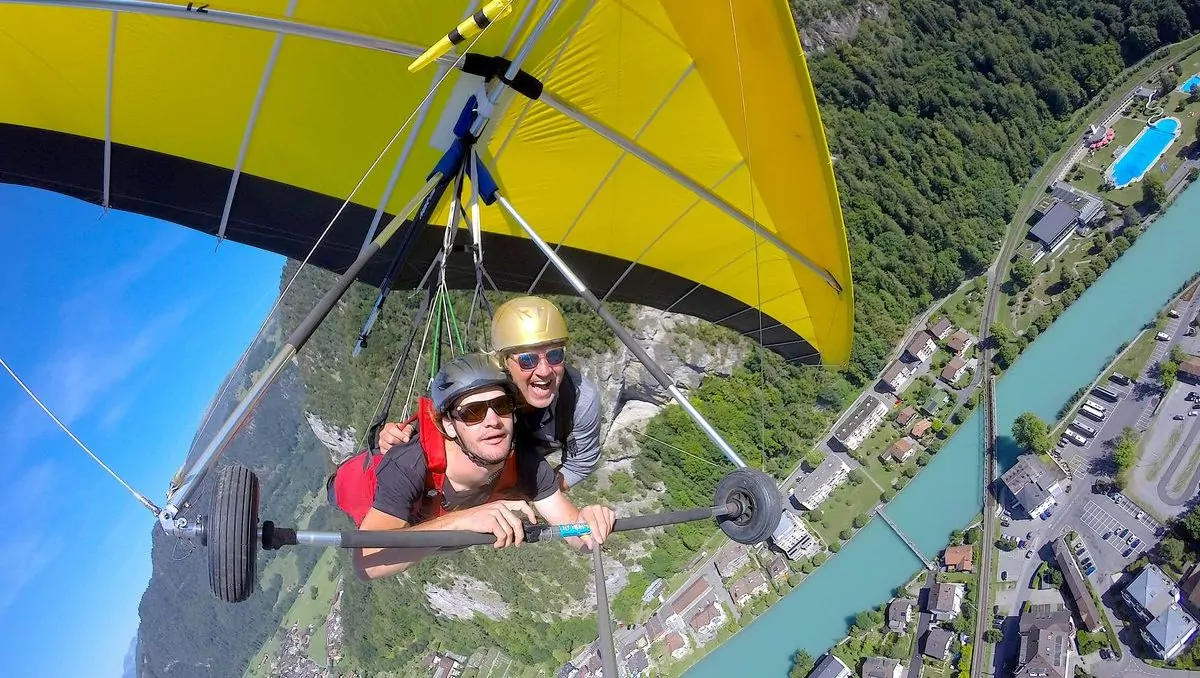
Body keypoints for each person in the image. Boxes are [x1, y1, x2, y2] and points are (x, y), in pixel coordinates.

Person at [350, 353, 615, 581]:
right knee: (341, 487)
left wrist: (590, 522)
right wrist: (460, 521)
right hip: (361, 489)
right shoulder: (408, 466)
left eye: (501, 406)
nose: (492, 421)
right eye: (473, 412)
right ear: (450, 426)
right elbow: (367, 563)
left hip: (429, 521)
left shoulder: (525, 463)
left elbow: (577, 534)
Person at [379, 296, 603, 490]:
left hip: (513, 471)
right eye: (527, 360)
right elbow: (435, 423)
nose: (544, 371)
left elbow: (581, 462)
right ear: (504, 362)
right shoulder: (476, 384)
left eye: (555, 355)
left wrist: (538, 494)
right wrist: (399, 434)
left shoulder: (579, 399)